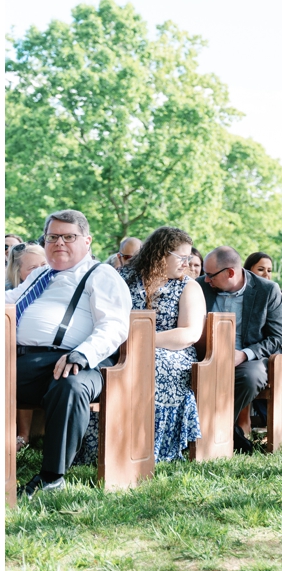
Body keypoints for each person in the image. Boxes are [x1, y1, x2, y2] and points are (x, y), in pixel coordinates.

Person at [6, 209, 131, 499]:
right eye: (52, 237)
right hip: (23, 360)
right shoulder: (40, 274)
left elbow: (114, 325)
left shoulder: (102, 275)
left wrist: (82, 353)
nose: (59, 243)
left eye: (68, 237)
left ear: (86, 241)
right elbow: (10, 299)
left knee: (70, 384)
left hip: (81, 362)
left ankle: (52, 477)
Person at [76, 227, 206, 464]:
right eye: (182, 257)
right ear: (160, 254)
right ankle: (101, 449)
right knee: (98, 366)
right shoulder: (122, 278)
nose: (187, 264)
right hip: (119, 348)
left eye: (189, 258)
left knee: (149, 363)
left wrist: (141, 341)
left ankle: (145, 448)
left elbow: (190, 333)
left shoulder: (188, 287)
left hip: (171, 353)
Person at [198, 246, 282, 452]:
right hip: (206, 355)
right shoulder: (200, 286)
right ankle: (230, 433)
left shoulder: (267, 290)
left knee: (251, 377)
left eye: (210, 275)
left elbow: (276, 338)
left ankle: (214, 428)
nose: (206, 279)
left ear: (230, 273)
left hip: (248, 356)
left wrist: (244, 355)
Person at [7, 242, 50, 449]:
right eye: (33, 268)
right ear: (19, 273)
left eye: (44, 264)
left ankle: (24, 435)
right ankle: (20, 434)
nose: (41, 270)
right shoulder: (13, 294)